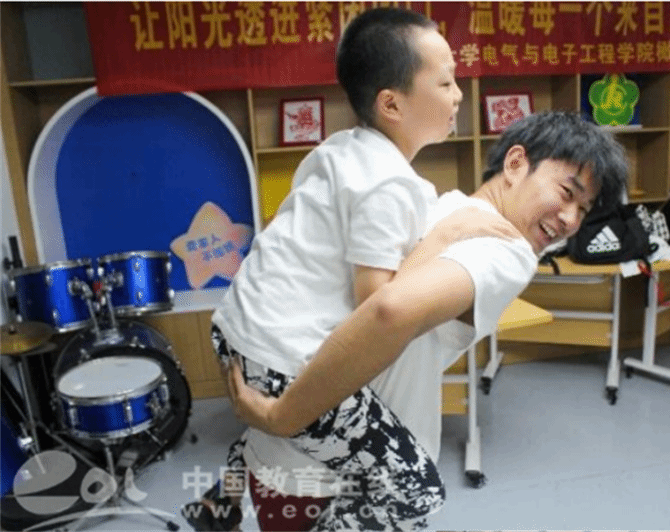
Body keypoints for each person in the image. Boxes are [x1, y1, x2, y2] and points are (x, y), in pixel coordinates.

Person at [181, 7, 519, 532]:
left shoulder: (339, 149)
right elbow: (379, 306)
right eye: (446, 82)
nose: (458, 95)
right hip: (283, 365)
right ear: (391, 103)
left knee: (285, 436)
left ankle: (218, 503)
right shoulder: (390, 183)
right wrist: (448, 234)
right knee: (416, 490)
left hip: (236, 334)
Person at [225, 109, 629, 531]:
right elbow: (388, 310)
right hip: (346, 480)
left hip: (278, 459)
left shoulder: (439, 203)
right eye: (566, 192)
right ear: (515, 163)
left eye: (584, 209)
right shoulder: (507, 252)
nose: (571, 220)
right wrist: (284, 416)